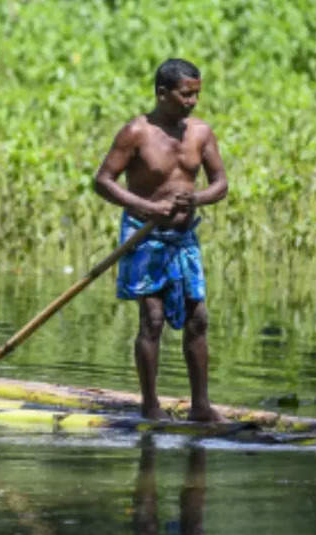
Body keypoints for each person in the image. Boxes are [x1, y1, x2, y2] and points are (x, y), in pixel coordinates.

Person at [94, 58, 228, 422]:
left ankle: (200, 405)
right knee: (152, 319)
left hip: (183, 238)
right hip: (144, 236)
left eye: (196, 95)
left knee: (196, 318)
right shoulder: (135, 133)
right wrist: (144, 206)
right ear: (162, 93)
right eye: (186, 95)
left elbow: (220, 184)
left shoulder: (201, 133)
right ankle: (150, 405)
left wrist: (196, 198)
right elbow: (103, 180)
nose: (192, 102)